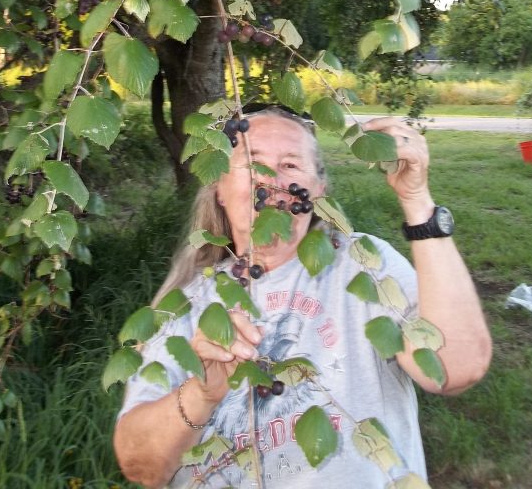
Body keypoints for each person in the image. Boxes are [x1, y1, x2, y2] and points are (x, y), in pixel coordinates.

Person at [113, 107, 492, 488]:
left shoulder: (359, 264)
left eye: (291, 165)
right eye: (252, 161)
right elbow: (141, 467)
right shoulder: (185, 305)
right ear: (219, 189)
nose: (271, 178)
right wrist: (202, 393)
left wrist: (417, 203)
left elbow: (456, 370)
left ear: (318, 191)